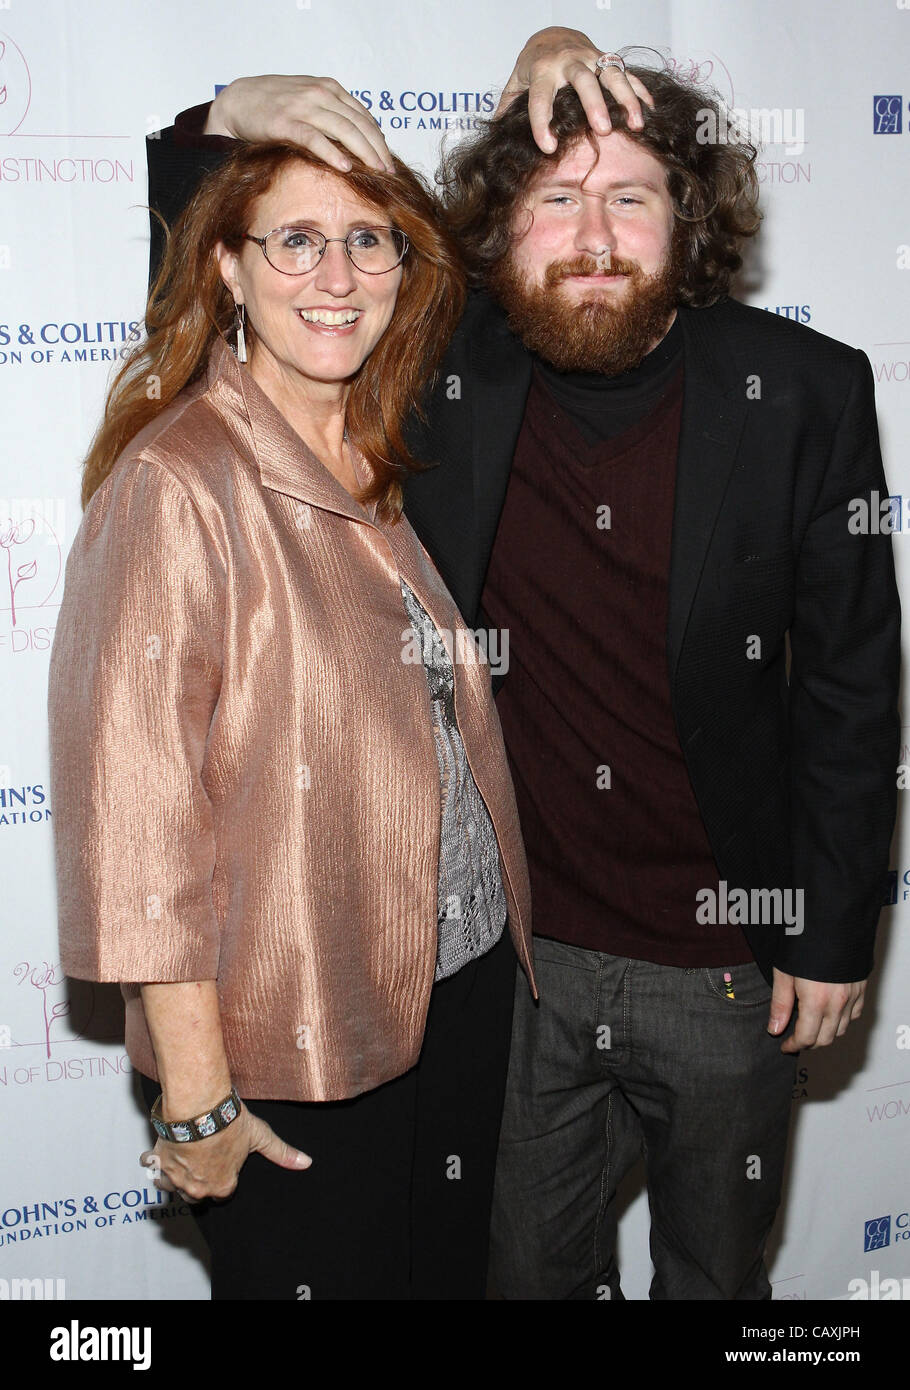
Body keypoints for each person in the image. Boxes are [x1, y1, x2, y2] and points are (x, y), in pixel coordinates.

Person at [145, 28, 900, 1300]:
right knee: (522, 1280)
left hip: (730, 964)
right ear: (503, 232)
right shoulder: (449, 363)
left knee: (718, 1280)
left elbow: (849, 684)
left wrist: (832, 930)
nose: (592, 233)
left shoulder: (805, 391)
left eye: (629, 196)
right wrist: (229, 107)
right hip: (520, 971)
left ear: (689, 220)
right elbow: (247, 264)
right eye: (555, 200)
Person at [47, 135, 537, 1301]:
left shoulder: (382, 443)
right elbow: (136, 818)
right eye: (297, 240)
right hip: (299, 1035)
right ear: (227, 266)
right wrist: (203, 1094)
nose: (336, 275)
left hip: (457, 986)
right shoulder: (177, 483)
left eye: (368, 240)